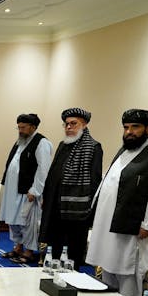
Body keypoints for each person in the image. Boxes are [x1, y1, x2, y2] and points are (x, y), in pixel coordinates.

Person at [86, 109, 148, 296]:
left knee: (128, 275)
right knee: (108, 272)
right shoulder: (125, 151)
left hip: (135, 229)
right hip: (109, 226)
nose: (129, 132)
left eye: (135, 127)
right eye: (126, 127)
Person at [39, 108, 102, 270]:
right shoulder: (63, 145)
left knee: (72, 251)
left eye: (73, 124)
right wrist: (46, 196)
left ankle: (70, 280)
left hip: (77, 210)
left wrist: (89, 207)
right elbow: (53, 173)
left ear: (84, 124)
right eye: (66, 124)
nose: (68, 127)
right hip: (56, 206)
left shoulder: (93, 147)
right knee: (54, 246)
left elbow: (95, 181)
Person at [0, 113, 52, 264]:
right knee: (13, 221)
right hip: (13, 190)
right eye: (19, 127)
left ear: (33, 127)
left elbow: (44, 169)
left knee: (27, 222)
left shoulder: (42, 143)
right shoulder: (20, 142)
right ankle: (18, 247)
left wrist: (35, 190)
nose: (20, 130)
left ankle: (29, 252)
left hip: (28, 191)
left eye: (23, 127)